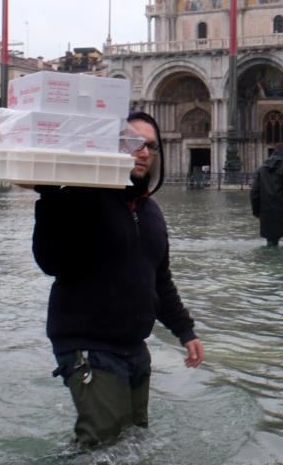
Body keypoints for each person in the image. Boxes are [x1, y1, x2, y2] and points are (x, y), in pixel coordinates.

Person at [31, 111, 204, 447]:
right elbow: (50, 261)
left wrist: (185, 330)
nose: (143, 153)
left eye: (151, 147)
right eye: (133, 143)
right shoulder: (83, 196)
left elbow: (160, 279)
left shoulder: (150, 211)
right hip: (88, 346)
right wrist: (50, 197)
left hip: (134, 349)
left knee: (133, 441)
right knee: (101, 446)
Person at [250, 142, 283, 248]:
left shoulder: (262, 169)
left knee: (271, 240)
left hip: (266, 211)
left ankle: (269, 261)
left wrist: (256, 212)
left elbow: (254, 192)